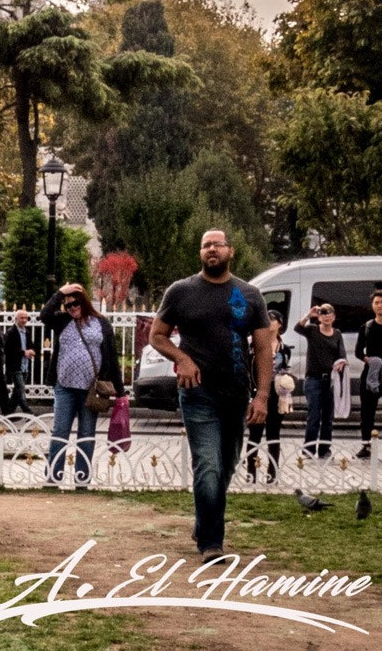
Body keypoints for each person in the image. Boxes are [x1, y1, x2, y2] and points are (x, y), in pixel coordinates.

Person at [151, 229, 274, 562]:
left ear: (230, 251)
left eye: (217, 244)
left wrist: (261, 396)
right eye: (206, 245)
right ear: (200, 253)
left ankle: (204, 522)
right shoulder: (181, 291)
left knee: (227, 466)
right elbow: (157, 335)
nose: (211, 249)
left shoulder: (249, 295)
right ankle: (211, 544)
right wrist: (182, 358)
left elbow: (264, 348)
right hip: (197, 393)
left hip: (235, 394)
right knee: (208, 465)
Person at [40, 282, 120, 488]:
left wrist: (120, 391)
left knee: (86, 434)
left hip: (90, 390)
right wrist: (60, 293)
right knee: (60, 432)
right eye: (68, 306)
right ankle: (53, 477)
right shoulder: (63, 321)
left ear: (83, 302)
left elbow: (111, 357)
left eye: (75, 304)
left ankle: (82, 478)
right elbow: (44, 316)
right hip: (65, 386)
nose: (72, 308)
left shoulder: (100, 323)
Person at [295, 299, 346, 459]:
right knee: (314, 415)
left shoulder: (337, 334)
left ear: (334, 317)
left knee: (328, 418)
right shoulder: (312, 330)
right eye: (323, 314)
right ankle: (309, 450)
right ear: (319, 317)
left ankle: (325, 450)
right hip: (314, 380)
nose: (326, 317)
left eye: (329, 314)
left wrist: (341, 362)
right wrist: (308, 315)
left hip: (330, 381)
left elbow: (342, 354)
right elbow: (297, 328)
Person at [246, 309, 291, 483]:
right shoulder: (254, 345)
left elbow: (285, 370)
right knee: (255, 434)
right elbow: (249, 369)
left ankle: (273, 473)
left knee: (274, 434)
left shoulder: (284, 349)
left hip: (277, 394)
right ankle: (251, 472)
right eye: (266, 319)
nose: (269, 322)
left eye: (272, 319)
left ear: (279, 324)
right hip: (257, 392)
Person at [356, 291, 382, 459]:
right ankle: (366, 445)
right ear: (372, 305)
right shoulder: (367, 327)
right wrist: (369, 360)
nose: (380, 306)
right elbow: (359, 351)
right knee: (367, 412)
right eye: (377, 302)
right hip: (371, 374)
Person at [4, 309, 34, 414]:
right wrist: (23, 352)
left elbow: (31, 345)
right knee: (21, 389)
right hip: (15, 365)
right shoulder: (11, 332)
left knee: (17, 391)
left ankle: (9, 412)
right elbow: (8, 349)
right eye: (22, 318)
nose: (24, 320)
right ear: (16, 319)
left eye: (26, 318)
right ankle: (28, 412)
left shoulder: (27, 332)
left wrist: (32, 351)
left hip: (25, 365)